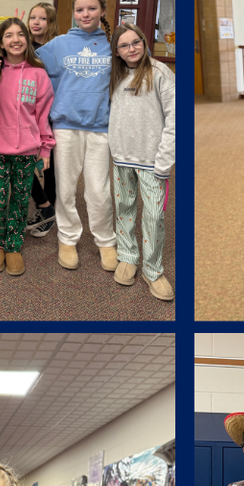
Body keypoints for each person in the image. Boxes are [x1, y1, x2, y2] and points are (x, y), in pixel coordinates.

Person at [38, 0, 118, 271]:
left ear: (103, 11)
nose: (86, 14)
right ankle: (68, 238)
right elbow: (28, 61)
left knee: (99, 190)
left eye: (92, 8)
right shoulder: (59, 44)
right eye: (80, 9)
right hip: (66, 126)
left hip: (99, 127)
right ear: (73, 13)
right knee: (66, 188)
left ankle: (105, 240)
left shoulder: (112, 44)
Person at [0, 19, 58, 277]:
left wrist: (45, 148)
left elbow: (43, 115)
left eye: (20, 34)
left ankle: (14, 245)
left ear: (27, 39)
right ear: (0, 42)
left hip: (26, 152)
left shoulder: (38, 73)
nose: (16, 39)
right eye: (8, 35)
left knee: (20, 202)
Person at [105, 23, 176, 300]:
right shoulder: (115, 75)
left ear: (144, 42)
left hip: (152, 160)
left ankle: (153, 269)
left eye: (136, 42)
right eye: (124, 45)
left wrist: (165, 160)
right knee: (124, 207)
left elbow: (174, 117)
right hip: (121, 157)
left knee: (154, 215)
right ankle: (127, 255)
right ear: (117, 52)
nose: (131, 48)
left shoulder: (159, 72)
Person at [24, 0, 61, 236]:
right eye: (33, 17)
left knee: (49, 167)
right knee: (25, 162)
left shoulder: (57, 49)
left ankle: (50, 211)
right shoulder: (21, 45)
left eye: (43, 18)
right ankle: (42, 203)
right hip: (27, 115)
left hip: (52, 114)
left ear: (50, 23)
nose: (36, 22)